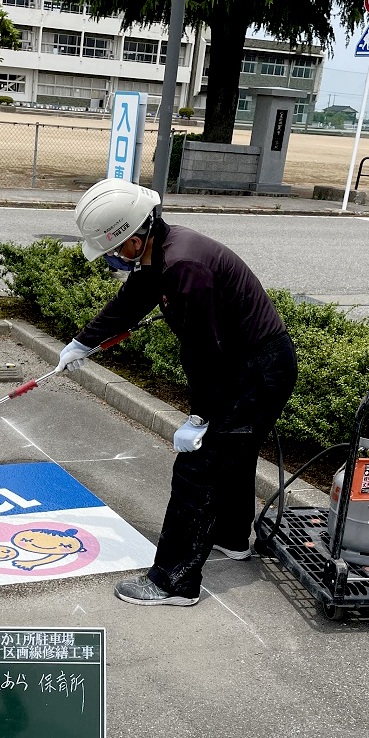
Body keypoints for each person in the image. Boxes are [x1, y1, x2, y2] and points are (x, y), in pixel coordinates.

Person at [57, 178, 297, 606]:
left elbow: (204, 353)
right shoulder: (159, 250)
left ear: (132, 239)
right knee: (233, 456)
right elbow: (131, 302)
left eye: (111, 249)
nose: (110, 258)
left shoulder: (184, 266)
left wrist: (200, 417)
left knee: (198, 469)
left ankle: (174, 582)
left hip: (256, 370)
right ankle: (231, 537)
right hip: (251, 363)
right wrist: (83, 342)